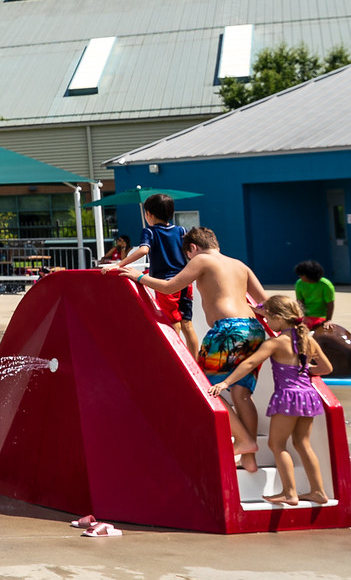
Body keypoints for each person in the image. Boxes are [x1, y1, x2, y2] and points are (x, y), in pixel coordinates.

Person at [113, 226, 270, 470]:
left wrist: (137, 276)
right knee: (241, 393)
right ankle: (249, 457)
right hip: (253, 329)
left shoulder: (202, 260)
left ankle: (244, 440)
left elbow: (169, 287)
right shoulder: (239, 264)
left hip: (227, 331)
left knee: (206, 388)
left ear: (193, 249)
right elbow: (264, 303)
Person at [212, 295, 333, 504]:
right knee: (303, 444)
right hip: (308, 396)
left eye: (268, 318)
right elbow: (326, 368)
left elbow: (249, 364)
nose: (266, 322)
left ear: (279, 318)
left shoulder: (276, 343)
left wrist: (225, 383)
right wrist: (301, 370)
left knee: (277, 445)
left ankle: (290, 493)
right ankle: (318, 492)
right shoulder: (308, 340)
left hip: (288, 397)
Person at [117, 194, 198, 355]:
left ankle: (179, 362)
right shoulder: (181, 230)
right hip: (184, 281)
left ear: (149, 214)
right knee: (187, 324)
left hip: (166, 285)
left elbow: (144, 250)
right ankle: (195, 365)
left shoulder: (150, 232)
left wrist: (119, 264)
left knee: (173, 324)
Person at [294, 261, 336, 327]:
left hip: (321, 316)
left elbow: (330, 304)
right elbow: (300, 302)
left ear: (309, 275)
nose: (300, 276)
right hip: (305, 316)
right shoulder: (299, 283)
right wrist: (301, 317)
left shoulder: (326, 284)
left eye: (302, 275)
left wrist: (328, 320)